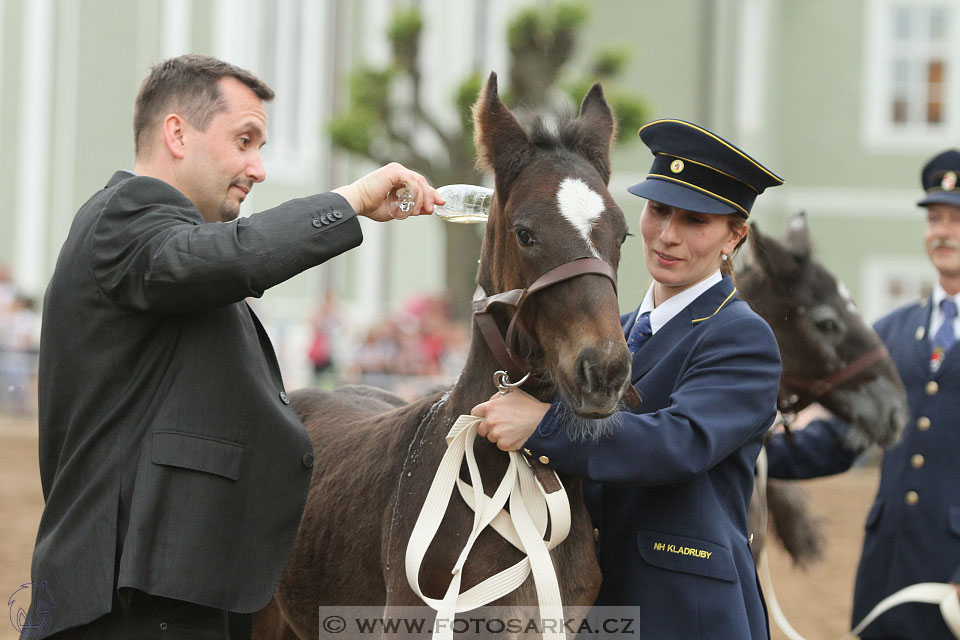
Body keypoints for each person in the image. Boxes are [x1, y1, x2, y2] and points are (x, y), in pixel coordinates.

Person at [26, 54, 441, 639]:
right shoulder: (124, 216)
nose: (259, 167)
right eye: (244, 140)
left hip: (170, 591)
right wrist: (349, 201)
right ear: (176, 132)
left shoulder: (168, 246)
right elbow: (239, 256)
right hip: (128, 601)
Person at [471, 119, 784, 639]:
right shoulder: (616, 332)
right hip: (593, 605)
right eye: (659, 210)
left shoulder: (742, 337)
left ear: (735, 235)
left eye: (695, 221)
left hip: (685, 612)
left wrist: (542, 427)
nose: (667, 235)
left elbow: (678, 443)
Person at [765, 148, 960, 640]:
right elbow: (842, 439)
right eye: (935, 218)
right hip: (887, 573)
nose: (943, 231)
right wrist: (751, 452)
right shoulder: (892, 333)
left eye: (957, 219)